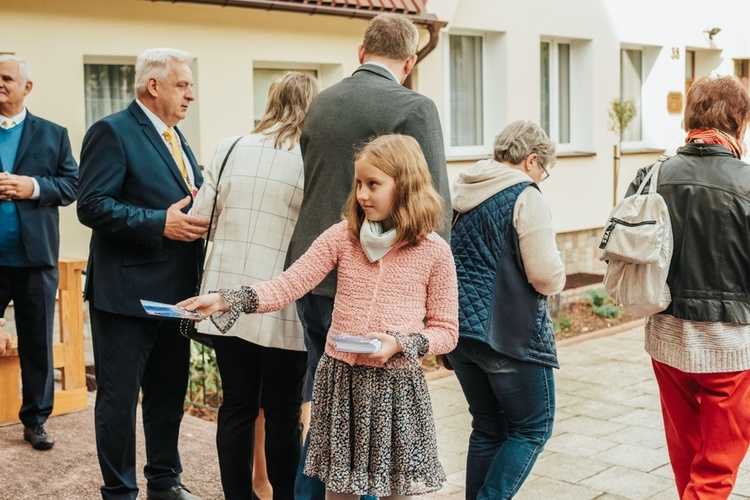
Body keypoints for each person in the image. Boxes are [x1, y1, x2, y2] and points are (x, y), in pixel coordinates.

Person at [180, 134, 459, 498]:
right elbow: (288, 284)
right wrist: (226, 299)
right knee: (337, 493)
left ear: (405, 185)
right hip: (341, 383)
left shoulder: (434, 252)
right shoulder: (342, 237)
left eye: (373, 184)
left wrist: (402, 344)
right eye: (358, 183)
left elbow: (446, 331)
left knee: (394, 493)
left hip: (396, 391)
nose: (361, 194)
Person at [285, 13, 452, 497]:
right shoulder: (414, 106)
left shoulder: (321, 103)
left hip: (315, 273)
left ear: (361, 53)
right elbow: (432, 202)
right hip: (375, 276)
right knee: (375, 419)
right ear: (410, 60)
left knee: (329, 405)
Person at [77, 48, 209, 500]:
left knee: (167, 394)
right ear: (154, 86)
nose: (191, 94)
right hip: (124, 295)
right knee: (118, 401)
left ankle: (164, 481)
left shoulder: (177, 137)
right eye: (182, 84)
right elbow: (91, 205)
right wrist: (160, 223)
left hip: (175, 294)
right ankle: (119, 491)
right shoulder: (111, 131)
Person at [188, 71, 319, 499]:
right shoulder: (312, 157)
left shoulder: (230, 148)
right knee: (283, 412)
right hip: (285, 299)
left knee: (237, 407)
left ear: (272, 101)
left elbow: (202, 215)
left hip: (226, 300)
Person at [625, 75, 750, 499]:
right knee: (715, 470)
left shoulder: (652, 175)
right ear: (739, 122)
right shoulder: (748, 184)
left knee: (688, 459)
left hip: (666, 340)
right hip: (730, 346)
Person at [448, 121, 565, 499]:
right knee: (533, 428)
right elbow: (545, 275)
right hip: (507, 336)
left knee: (487, 426)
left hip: (460, 332)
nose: (541, 177)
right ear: (531, 160)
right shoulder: (525, 195)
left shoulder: (461, 189)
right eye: (543, 170)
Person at [0, 54, 78, 450]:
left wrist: (30, 186)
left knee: (36, 344)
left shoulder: (53, 134)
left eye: (6, 78)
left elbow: (72, 186)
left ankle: (35, 422)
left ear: (26, 87)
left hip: (36, 261)